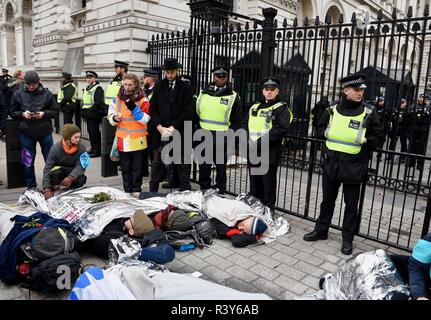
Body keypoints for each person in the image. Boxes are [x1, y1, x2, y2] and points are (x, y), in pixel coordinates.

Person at [303, 74, 385, 255]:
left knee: (350, 206)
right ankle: (321, 230)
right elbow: (319, 127)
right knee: (327, 201)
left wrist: (364, 142)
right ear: (345, 90)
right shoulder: (332, 109)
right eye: (356, 90)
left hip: (354, 166)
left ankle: (347, 239)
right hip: (332, 163)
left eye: (362, 90)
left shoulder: (369, 112)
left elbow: (378, 137)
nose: (360, 93)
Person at [242, 77, 292, 211]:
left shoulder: (282, 109)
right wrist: (247, 140)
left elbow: (279, 130)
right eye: (266, 89)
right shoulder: (254, 107)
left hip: (269, 153)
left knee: (267, 184)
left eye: (272, 90)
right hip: (253, 151)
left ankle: (268, 211)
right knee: (254, 183)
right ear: (263, 91)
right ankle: (254, 209)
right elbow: (245, 124)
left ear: (277, 91)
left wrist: (256, 143)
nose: (269, 92)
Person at [148, 58, 194, 193]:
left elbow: (188, 110)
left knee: (182, 163)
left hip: (180, 131)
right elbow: (153, 108)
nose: (169, 75)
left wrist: (173, 127)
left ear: (177, 71)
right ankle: (152, 192)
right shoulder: (159, 85)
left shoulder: (186, 87)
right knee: (157, 163)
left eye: (172, 72)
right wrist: (159, 127)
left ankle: (185, 190)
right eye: (167, 72)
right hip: (161, 131)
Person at [195, 66, 242, 194]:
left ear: (227, 78)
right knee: (204, 164)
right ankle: (204, 187)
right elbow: (197, 111)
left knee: (220, 165)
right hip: (204, 132)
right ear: (213, 77)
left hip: (222, 135)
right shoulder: (203, 92)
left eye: (224, 77)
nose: (221, 79)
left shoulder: (233, 96)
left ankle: (220, 188)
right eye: (218, 76)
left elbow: (237, 120)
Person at [10, 71, 59, 189]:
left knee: (50, 159)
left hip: (45, 132)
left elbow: (55, 112)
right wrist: (22, 114)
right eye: (29, 84)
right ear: (24, 83)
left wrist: (44, 113)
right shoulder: (18, 94)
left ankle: (49, 184)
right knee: (27, 161)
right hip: (26, 133)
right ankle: (31, 186)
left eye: (34, 84)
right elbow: (12, 112)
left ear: (39, 82)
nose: (31, 87)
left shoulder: (47, 94)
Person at [108, 73, 150, 197]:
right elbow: (110, 115)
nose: (127, 87)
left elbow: (145, 119)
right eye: (125, 84)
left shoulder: (143, 99)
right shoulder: (117, 98)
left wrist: (134, 109)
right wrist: (114, 118)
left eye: (130, 85)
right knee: (125, 167)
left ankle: (136, 190)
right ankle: (127, 191)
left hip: (138, 140)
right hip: (123, 139)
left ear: (136, 84)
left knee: (137, 168)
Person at [42, 124, 88, 200]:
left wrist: (71, 177)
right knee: (55, 174)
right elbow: (47, 168)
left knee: (81, 180)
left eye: (79, 137)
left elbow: (82, 165)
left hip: (72, 171)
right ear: (68, 138)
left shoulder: (82, 147)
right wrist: (47, 188)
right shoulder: (55, 149)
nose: (78, 140)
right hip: (60, 170)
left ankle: (71, 189)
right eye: (75, 137)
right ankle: (56, 186)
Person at [82, 71, 105, 158]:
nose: (89, 79)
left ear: (95, 78)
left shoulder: (98, 88)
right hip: (88, 114)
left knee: (94, 132)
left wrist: (90, 112)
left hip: (94, 114)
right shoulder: (88, 88)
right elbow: (86, 102)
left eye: (91, 77)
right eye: (87, 77)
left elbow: (98, 102)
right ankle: (93, 148)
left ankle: (97, 150)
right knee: (90, 132)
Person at [406, 94, 430, 171]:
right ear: (419, 98)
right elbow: (408, 116)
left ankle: (420, 164)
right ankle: (411, 162)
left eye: (424, 98)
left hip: (423, 129)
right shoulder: (413, 106)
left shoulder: (428, 107)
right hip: (413, 129)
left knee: (421, 147)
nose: (423, 99)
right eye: (422, 97)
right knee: (412, 146)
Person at [388, 98, 409, 162]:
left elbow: (408, 120)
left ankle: (403, 157)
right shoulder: (395, 109)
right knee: (393, 142)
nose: (403, 104)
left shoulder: (407, 111)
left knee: (403, 143)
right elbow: (391, 118)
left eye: (404, 102)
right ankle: (390, 156)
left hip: (403, 128)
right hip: (395, 128)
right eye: (402, 102)